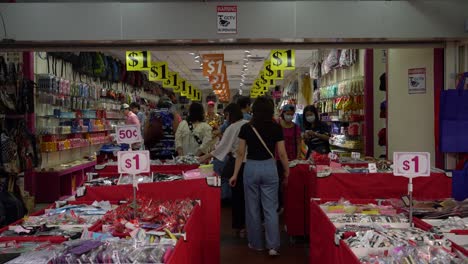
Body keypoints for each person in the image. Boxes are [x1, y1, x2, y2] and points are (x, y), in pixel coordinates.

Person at [229, 96, 289, 256]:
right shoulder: (277, 128)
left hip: (251, 168)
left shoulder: (246, 128)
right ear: (270, 110)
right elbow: (282, 154)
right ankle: (273, 246)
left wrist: (235, 174)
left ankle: (256, 244)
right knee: (270, 208)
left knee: (252, 209)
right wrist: (287, 171)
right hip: (270, 168)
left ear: (254, 110)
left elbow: (240, 153)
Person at [198, 103, 249, 237]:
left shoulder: (232, 128)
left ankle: (241, 226)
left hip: (238, 164)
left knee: (238, 197)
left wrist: (205, 157)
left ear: (230, 115)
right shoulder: (248, 124)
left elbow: (222, 148)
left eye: (226, 115)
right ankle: (254, 226)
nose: (226, 118)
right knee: (251, 197)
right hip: (252, 164)